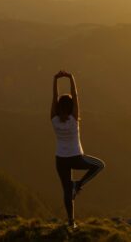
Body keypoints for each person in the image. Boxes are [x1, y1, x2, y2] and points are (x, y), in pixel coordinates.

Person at [51, 70, 105, 228]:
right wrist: (71, 77)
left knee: (66, 191)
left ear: (58, 107)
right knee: (99, 165)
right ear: (71, 107)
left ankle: (71, 222)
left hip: (60, 160)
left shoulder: (54, 120)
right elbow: (75, 95)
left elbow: (54, 98)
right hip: (76, 157)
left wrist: (55, 79)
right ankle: (79, 184)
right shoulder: (74, 119)